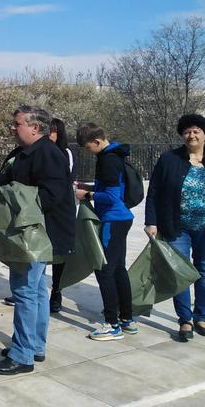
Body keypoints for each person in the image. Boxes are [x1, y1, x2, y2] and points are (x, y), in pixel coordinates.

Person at [0, 106, 76, 375]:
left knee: (26, 291)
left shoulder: (48, 154)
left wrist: (13, 199)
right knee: (37, 291)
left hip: (35, 235)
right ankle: (34, 345)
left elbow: (48, 196)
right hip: (33, 233)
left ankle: (22, 355)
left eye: (17, 124)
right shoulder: (27, 153)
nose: (13, 128)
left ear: (35, 128)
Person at [144, 113, 205, 341]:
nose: (191, 135)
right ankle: (185, 320)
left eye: (196, 131)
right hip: (176, 227)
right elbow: (154, 193)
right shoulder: (169, 160)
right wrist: (151, 221)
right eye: (187, 132)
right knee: (179, 274)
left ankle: (201, 316)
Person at [74, 123, 136, 340]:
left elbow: (111, 196)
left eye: (88, 148)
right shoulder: (115, 155)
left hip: (113, 219)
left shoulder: (108, 160)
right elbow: (111, 188)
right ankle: (127, 319)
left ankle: (112, 324)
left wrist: (87, 196)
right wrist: (88, 186)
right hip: (122, 218)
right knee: (118, 269)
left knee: (104, 270)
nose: (88, 152)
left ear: (98, 142)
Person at [49, 118, 76, 313]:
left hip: (60, 210)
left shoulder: (65, 153)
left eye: (52, 132)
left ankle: (56, 292)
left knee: (59, 254)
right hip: (43, 209)